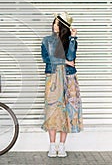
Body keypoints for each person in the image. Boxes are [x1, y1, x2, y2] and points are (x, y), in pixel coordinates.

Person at [41, 12, 83, 158]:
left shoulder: (71, 41)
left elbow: (71, 57)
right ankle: (52, 146)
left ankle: (62, 146)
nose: (54, 26)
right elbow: (47, 58)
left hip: (69, 78)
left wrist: (72, 38)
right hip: (53, 78)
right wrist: (64, 61)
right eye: (54, 23)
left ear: (63, 26)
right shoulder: (47, 40)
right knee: (52, 110)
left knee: (67, 111)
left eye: (57, 23)